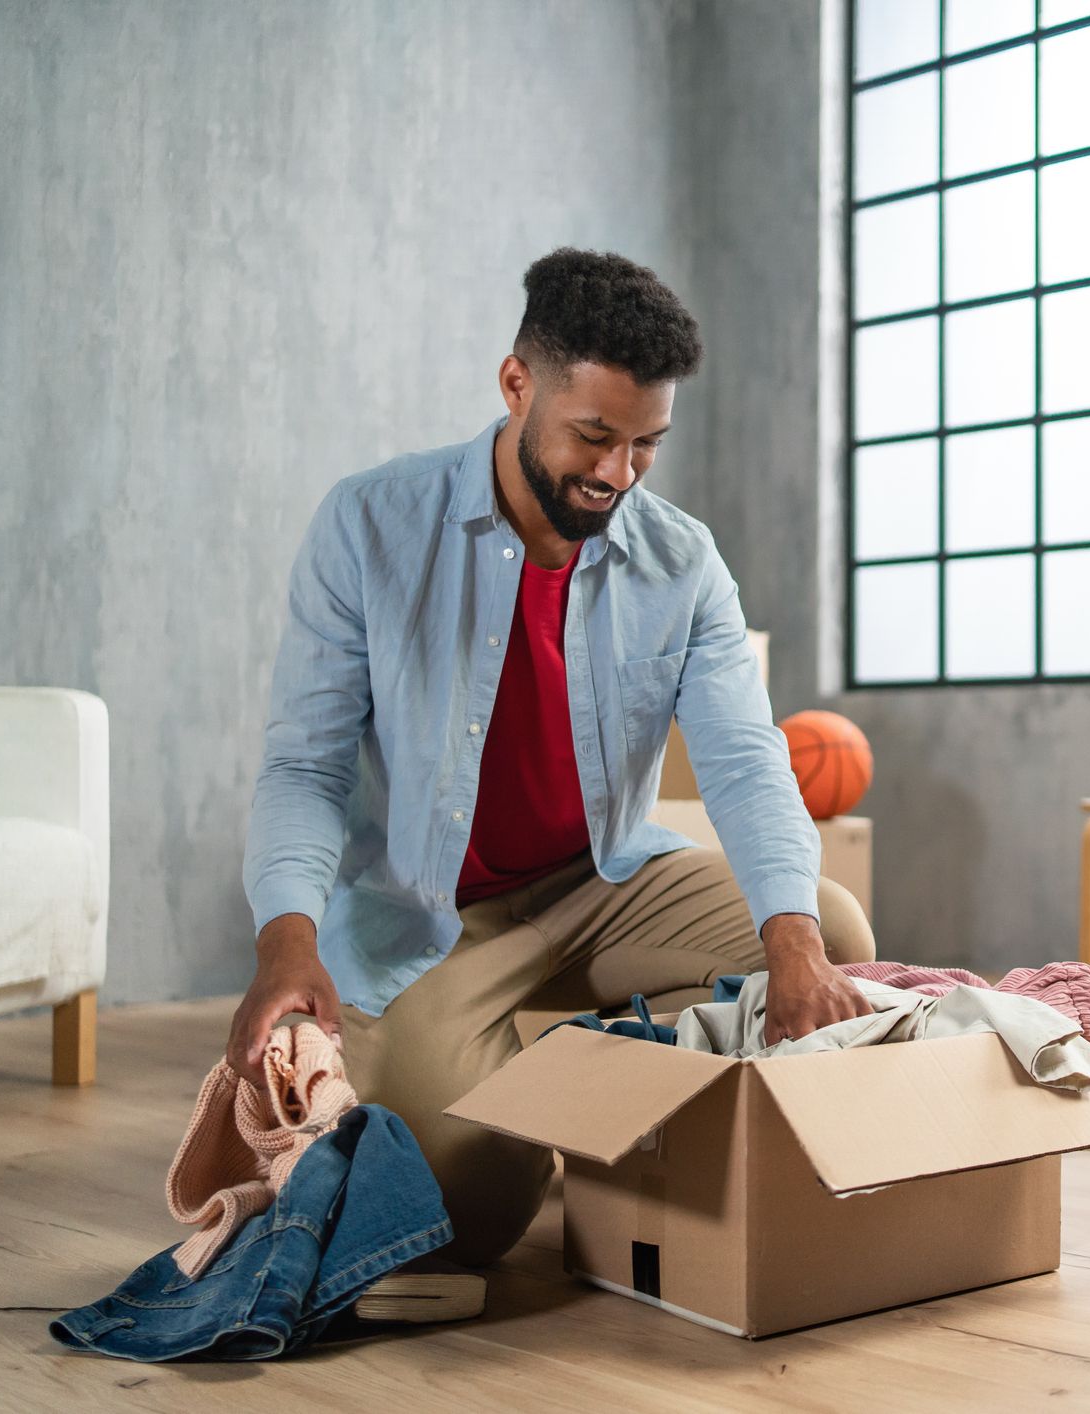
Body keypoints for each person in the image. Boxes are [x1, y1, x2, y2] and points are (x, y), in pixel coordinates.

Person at [225, 248, 876, 1265]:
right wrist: (285, 935)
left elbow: (746, 760)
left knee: (826, 930)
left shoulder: (682, 561)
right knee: (457, 1215)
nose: (618, 472)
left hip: (604, 882)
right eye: (595, 436)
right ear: (516, 384)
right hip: (437, 915)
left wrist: (790, 941)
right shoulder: (367, 524)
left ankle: (596, 1085)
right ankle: (545, 1099)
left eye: (647, 445)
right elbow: (305, 764)